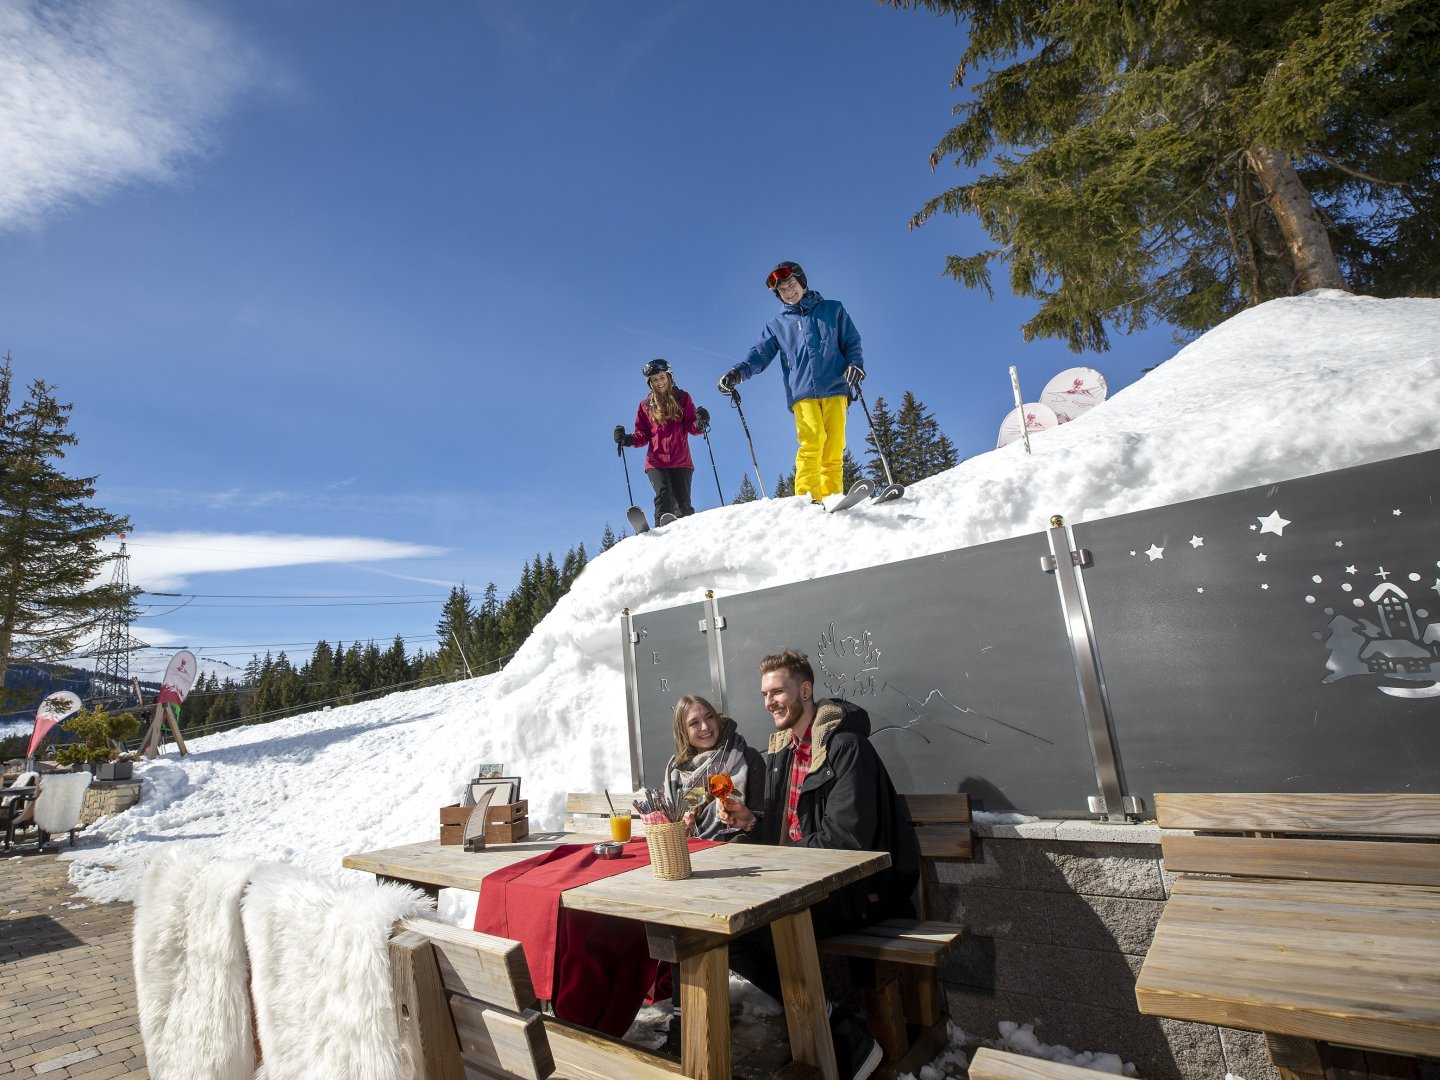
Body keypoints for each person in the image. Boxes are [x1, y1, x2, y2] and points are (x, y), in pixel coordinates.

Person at [715, 648, 919, 1080]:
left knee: (749, 928)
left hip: (862, 889)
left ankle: (840, 1039)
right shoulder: (785, 753)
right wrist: (752, 821)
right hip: (804, 884)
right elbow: (791, 829)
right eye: (765, 693)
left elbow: (845, 841)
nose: (770, 701)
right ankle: (834, 1026)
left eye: (779, 691)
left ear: (805, 690)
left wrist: (776, 864)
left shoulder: (847, 748)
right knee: (721, 929)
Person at [656, 695, 765, 1057]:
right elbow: (672, 828)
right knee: (674, 916)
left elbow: (764, 825)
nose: (705, 727)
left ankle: (688, 1024)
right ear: (683, 731)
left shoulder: (745, 759)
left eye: (708, 718)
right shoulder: (677, 772)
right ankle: (684, 1021)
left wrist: (743, 819)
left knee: (685, 925)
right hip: (696, 868)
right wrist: (681, 827)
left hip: (744, 869)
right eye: (694, 723)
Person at [717, 261, 865, 503]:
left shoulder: (833, 309)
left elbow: (851, 341)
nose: (788, 292)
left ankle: (833, 498)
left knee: (834, 448)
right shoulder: (777, 325)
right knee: (813, 440)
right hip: (803, 392)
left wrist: (855, 363)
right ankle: (808, 499)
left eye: (791, 285)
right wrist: (737, 373)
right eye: (782, 290)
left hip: (836, 386)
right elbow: (759, 354)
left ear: (802, 283)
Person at [615, 359, 710, 523]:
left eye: (661, 377)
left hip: (681, 461)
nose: (659, 382)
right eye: (654, 379)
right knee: (664, 495)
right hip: (656, 462)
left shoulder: (683, 398)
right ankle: (661, 528)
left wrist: (700, 423)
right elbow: (643, 434)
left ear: (669, 376)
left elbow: (691, 426)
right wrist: (627, 439)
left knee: (684, 506)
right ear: (650, 382)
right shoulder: (645, 406)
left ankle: (687, 536)